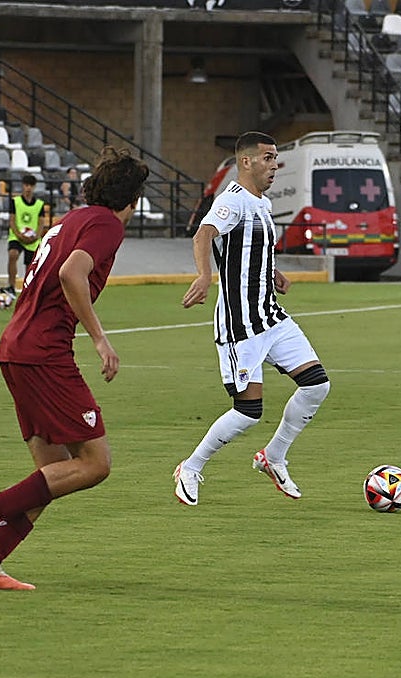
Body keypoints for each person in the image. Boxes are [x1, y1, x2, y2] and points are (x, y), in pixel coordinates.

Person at [0, 146, 150, 591]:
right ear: (131, 199)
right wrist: (100, 338)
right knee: (95, 463)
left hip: (17, 348)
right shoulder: (106, 224)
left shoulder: (69, 220)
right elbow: (70, 274)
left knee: (54, 474)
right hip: (44, 352)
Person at [174, 130, 331, 506]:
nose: (274, 165)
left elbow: (252, 248)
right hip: (240, 324)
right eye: (268, 158)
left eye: (275, 158)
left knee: (316, 386)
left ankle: (273, 457)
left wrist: (271, 272)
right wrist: (204, 275)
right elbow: (203, 235)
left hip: (270, 316)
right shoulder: (233, 200)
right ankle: (191, 467)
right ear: (246, 162)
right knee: (248, 412)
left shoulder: (262, 203)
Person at [6, 172, 46, 290]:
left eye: (31, 185)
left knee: (30, 266)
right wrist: (19, 235)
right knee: (13, 254)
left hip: (32, 238)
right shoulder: (15, 201)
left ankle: (28, 289)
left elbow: (41, 222)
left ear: (34, 187)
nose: (28, 188)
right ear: (23, 186)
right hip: (17, 236)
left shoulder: (39, 204)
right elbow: (12, 221)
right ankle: (11, 285)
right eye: (26, 185)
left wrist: (36, 236)